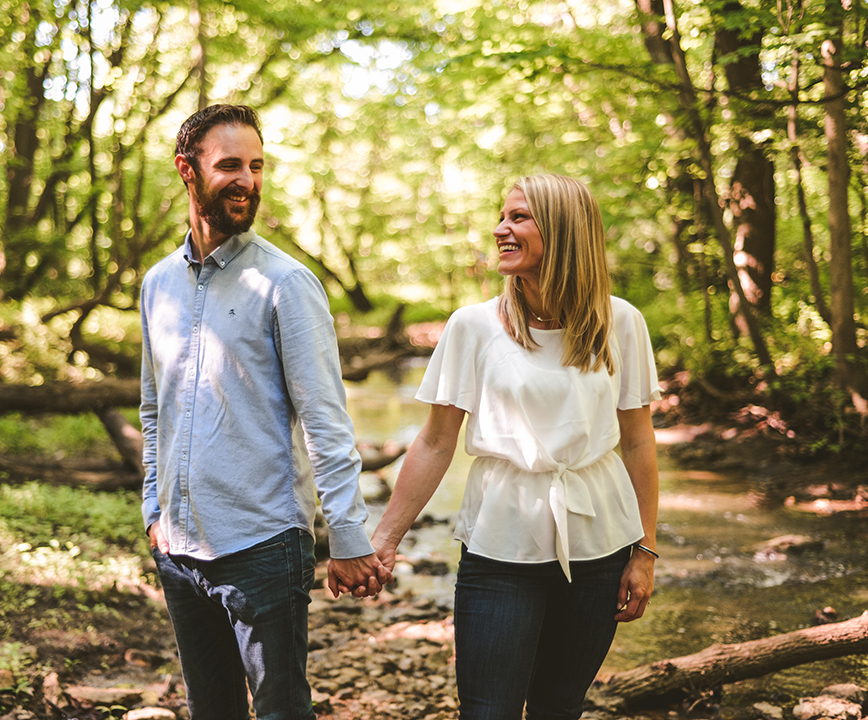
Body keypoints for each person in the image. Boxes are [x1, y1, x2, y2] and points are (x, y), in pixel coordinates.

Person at [368, 174, 661, 720]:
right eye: (502, 217)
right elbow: (435, 442)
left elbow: (639, 442)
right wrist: (385, 539)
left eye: (519, 218)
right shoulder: (472, 327)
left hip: (600, 548)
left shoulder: (621, 322)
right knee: (488, 711)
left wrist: (643, 552)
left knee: (558, 707)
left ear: (564, 231)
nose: (501, 229)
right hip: (500, 546)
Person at [139, 104, 388, 720]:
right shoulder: (156, 285)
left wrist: (348, 537)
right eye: (229, 165)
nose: (246, 179)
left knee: (281, 711)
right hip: (179, 548)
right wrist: (152, 505)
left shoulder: (287, 283)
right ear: (186, 171)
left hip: (263, 546)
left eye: (255, 166)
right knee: (211, 710)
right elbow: (154, 410)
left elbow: (326, 420)